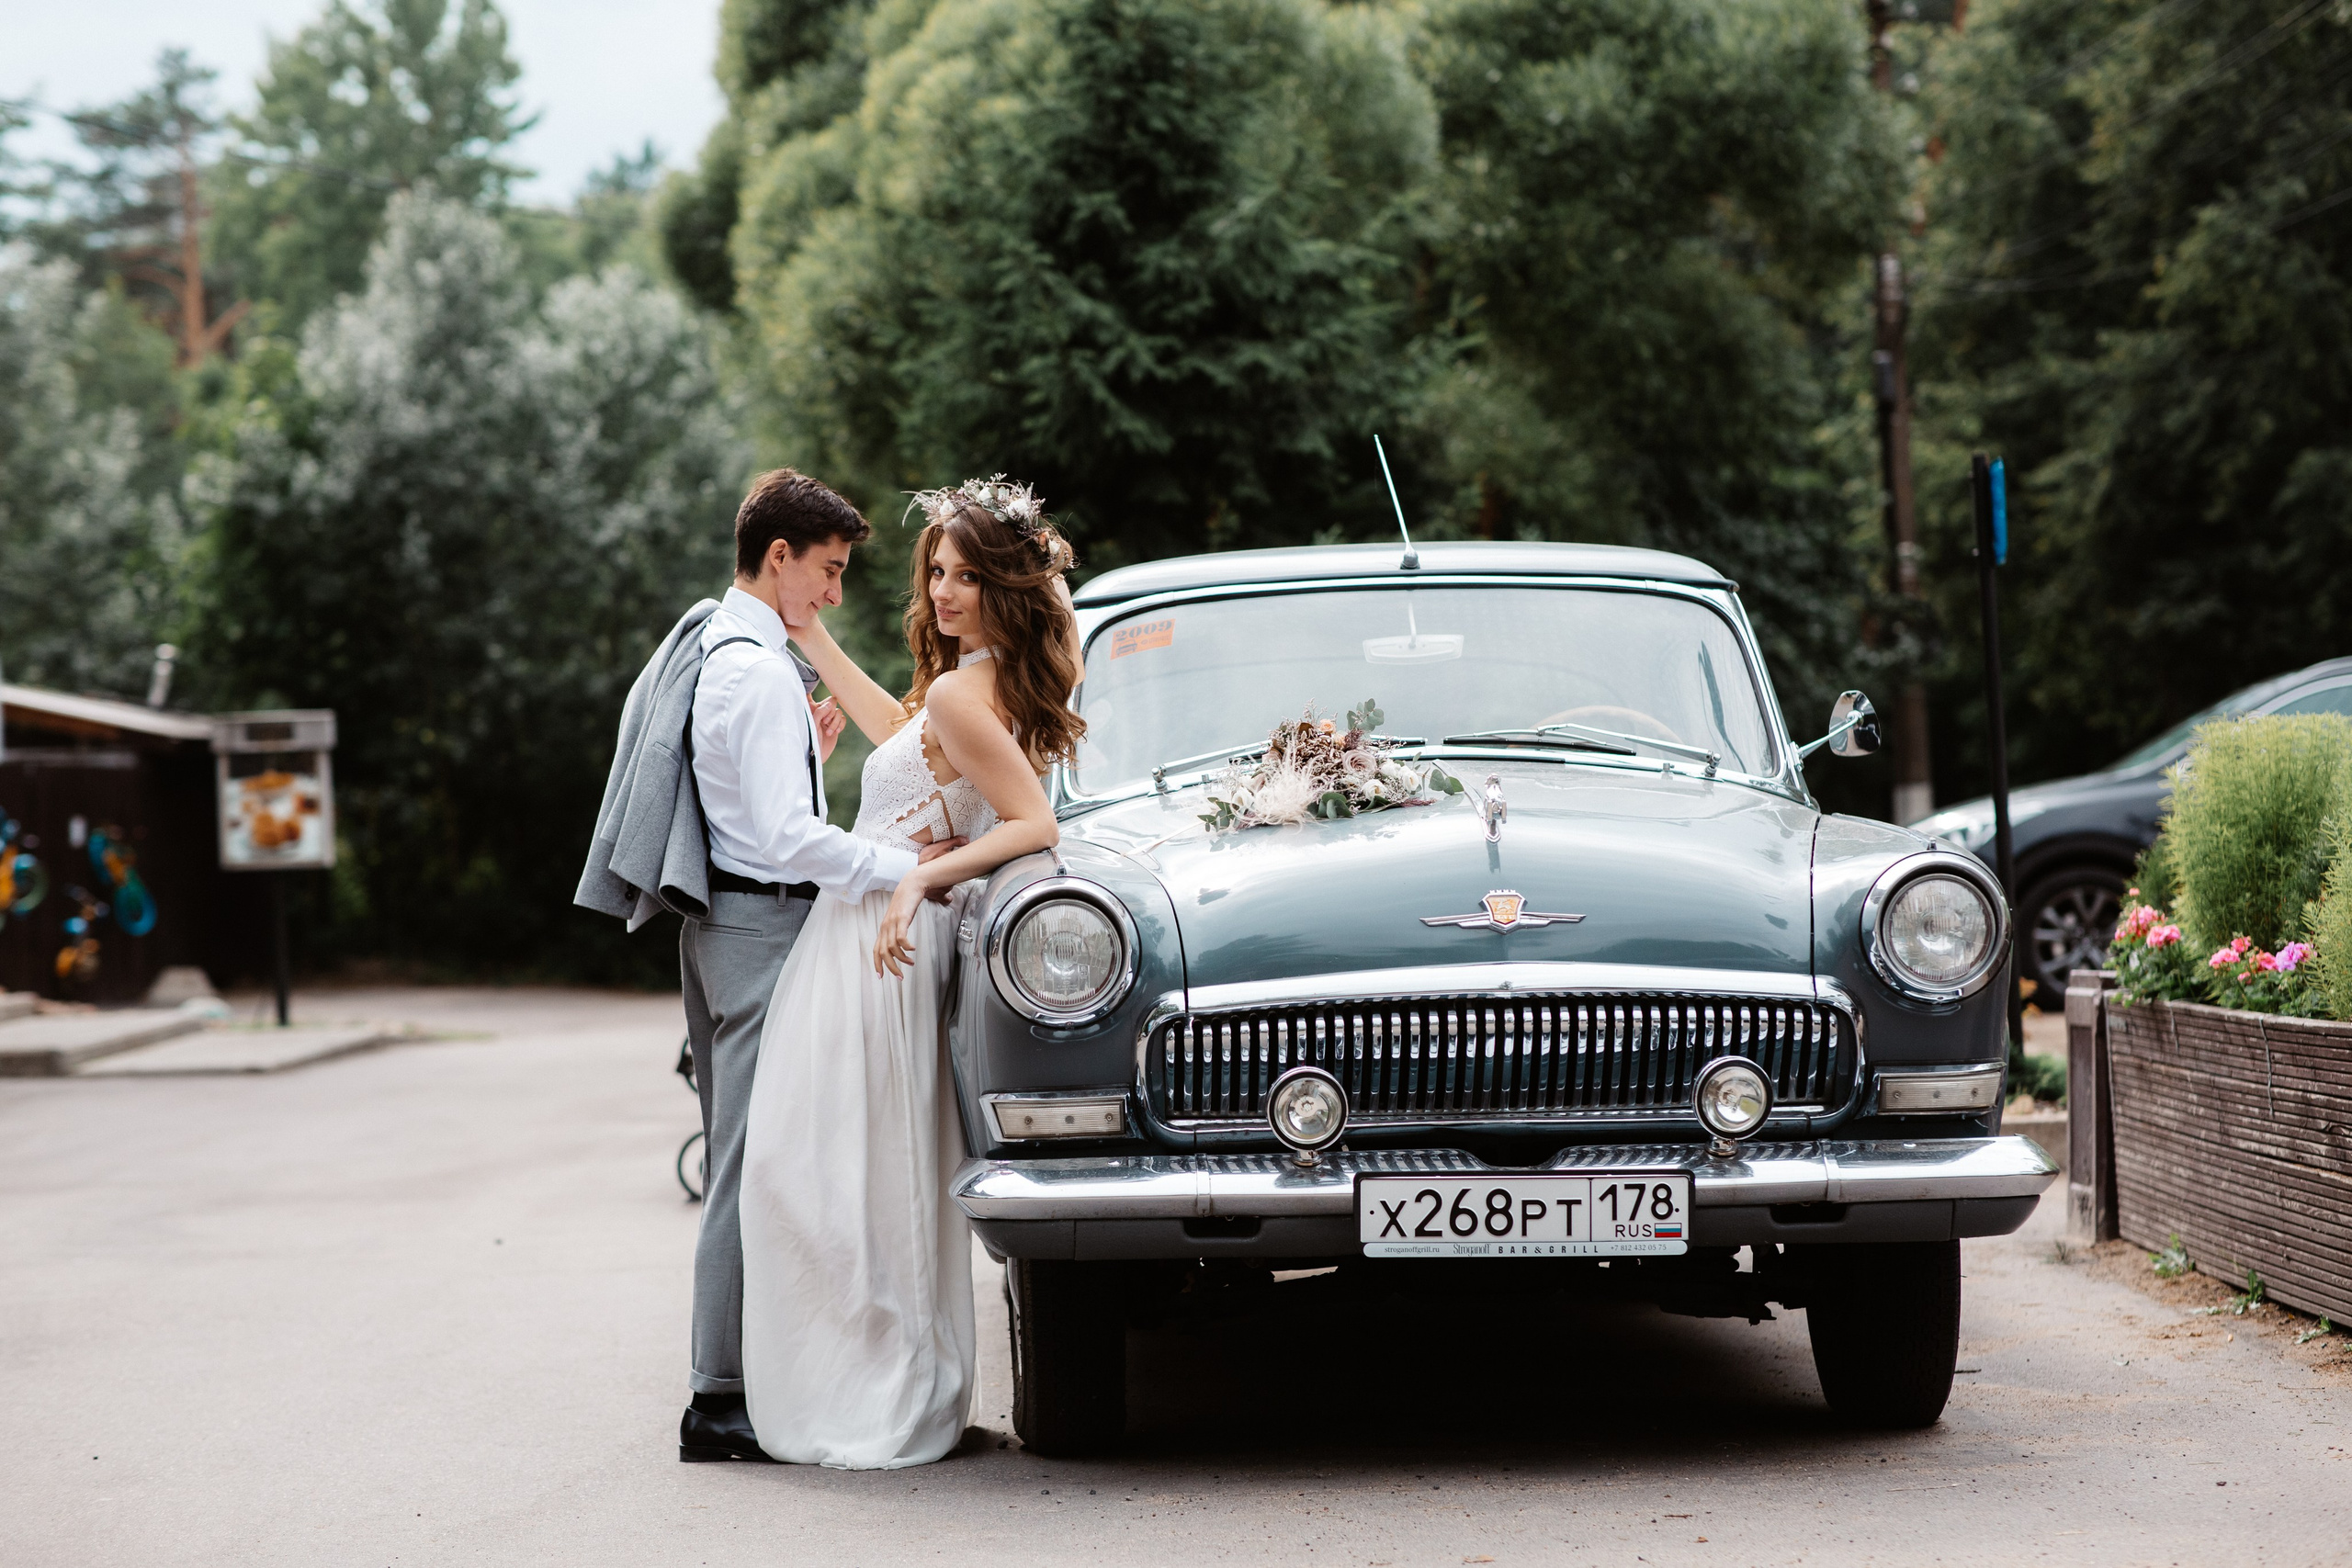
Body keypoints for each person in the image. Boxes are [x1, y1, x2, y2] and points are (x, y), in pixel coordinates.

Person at [737, 476, 1083, 1469]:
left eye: (966, 575)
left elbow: (1032, 824)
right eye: (936, 569)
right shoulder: (984, 681)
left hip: (876, 944)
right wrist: (809, 637)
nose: (941, 590)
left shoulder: (964, 690)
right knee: (854, 1166)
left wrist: (915, 879)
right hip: (876, 938)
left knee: (824, 1171)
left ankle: (874, 1392)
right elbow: (909, 739)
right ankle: (887, 1378)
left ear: (1006, 585)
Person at [673, 469, 967, 1463]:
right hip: (758, 927)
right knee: (755, 1168)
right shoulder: (753, 670)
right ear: (781, 556)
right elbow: (788, 840)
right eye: (829, 572)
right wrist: (902, 869)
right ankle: (720, 1399)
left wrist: (808, 742)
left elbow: (758, 808)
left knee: (756, 1160)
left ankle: (749, 1375)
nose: (835, 595)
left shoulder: (736, 650)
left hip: (733, 920)